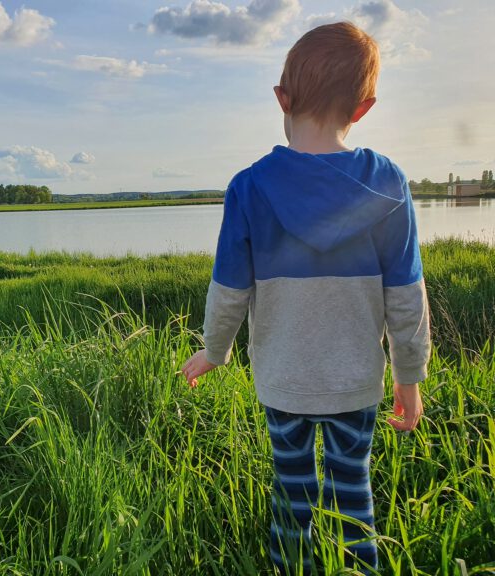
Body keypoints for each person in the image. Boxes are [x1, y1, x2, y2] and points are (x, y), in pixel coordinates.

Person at [179, 21, 431, 575]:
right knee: (353, 498)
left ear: (282, 98)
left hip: (284, 381)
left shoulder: (249, 187)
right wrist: (408, 379)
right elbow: (406, 298)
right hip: (355, 382)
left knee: (292, 496)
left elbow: (228, 291)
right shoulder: (387, 183)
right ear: (363, 108)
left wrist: (214, 351)